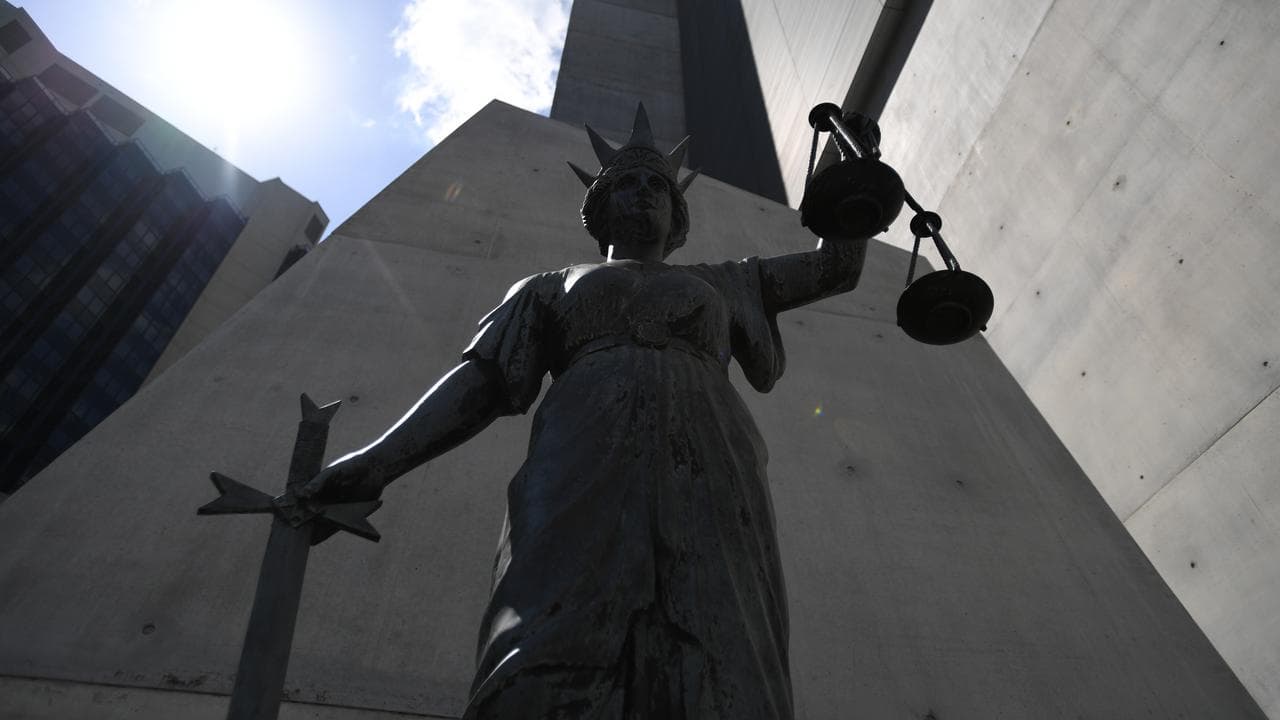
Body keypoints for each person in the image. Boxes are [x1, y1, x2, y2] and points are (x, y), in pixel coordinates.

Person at [297, 105, 869, 719]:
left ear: (677, 215)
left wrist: (852, 174)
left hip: (712, 465)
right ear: (598, 208)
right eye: (627, 183)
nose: (644, 193)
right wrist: (378, 461)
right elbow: (481, 381)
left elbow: (835, 268)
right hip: (582, 457)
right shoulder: (550, 285)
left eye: (657, 186)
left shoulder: (727, 283)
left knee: (725, 650)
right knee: (543, 645)